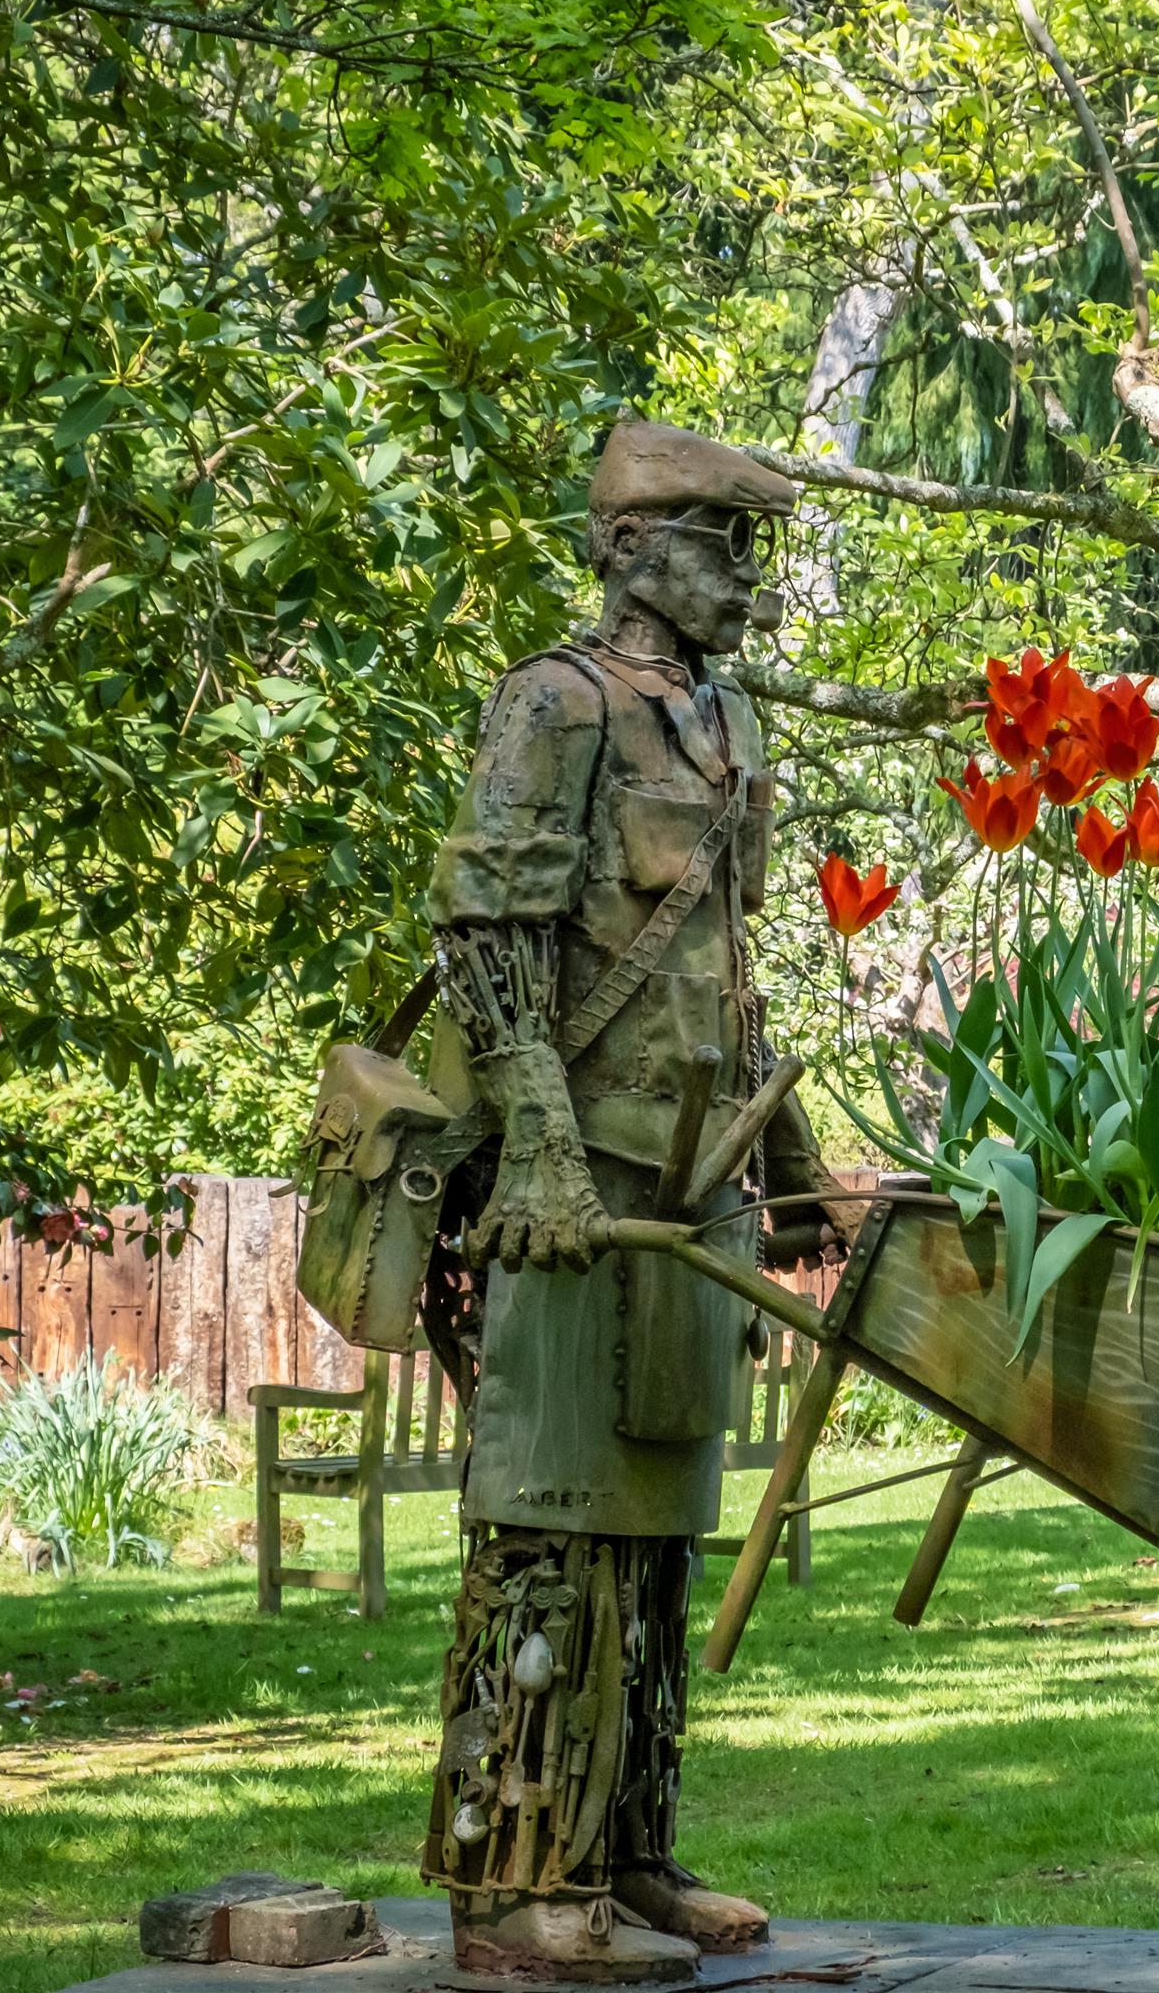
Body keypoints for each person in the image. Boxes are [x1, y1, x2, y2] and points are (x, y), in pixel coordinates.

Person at [417, 423, 836, 1981]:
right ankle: (513, 1887)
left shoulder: (726, 722)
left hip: (691, 1184)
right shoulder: (555, 702)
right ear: (626, 549)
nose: (746, 576)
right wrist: (532, 1144)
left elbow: (728, 968)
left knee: (654, 1548)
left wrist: (798, 1171)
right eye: (722, 541)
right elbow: (487, 936)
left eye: (750, 545)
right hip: (574, 1183)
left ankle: (626, 1858)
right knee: (551, 1532)